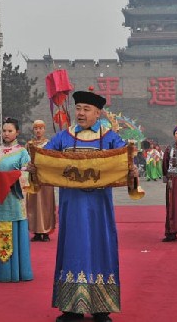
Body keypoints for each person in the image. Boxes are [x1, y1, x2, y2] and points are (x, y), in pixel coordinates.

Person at [37, 90, 126, 322]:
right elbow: (44, 156)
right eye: (78, 109)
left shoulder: (110, 137)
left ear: (98, 113)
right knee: (73, 248)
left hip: (99, 208)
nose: (81, 113)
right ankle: (71, 307)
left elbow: (125, 157)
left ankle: (101, 308)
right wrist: (34, 165)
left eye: (87, 109)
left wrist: (131, 168)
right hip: (72, 206)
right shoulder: (63, 137)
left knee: (100, 247)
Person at [0, 117, 33, 282]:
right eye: (4, 130)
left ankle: (18, 271)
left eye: (10, 131)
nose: (6, 133)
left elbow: (27, 174)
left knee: (16, 229)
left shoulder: (22, 152)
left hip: (14, 198)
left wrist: (13, 177)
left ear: (17, 132)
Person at [26, 119, 57, 242]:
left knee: (46, 204)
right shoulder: (29, 144)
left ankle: (46, 231)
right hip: (33, 178)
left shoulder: (49, 144)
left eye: (40, 128)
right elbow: (25, 159)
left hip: (46, 178)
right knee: (33, 204)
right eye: (36, 128)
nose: (38, 130)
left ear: (44, 129)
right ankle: (36, 231)